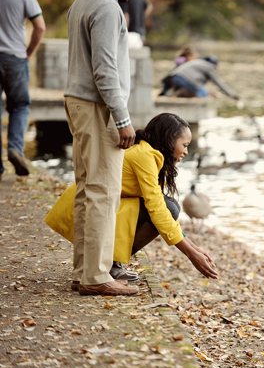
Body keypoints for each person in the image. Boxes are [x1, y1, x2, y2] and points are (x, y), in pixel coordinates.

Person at [45, 113, 219, 285]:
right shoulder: (145, 155)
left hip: (97, 207)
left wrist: (195, 248)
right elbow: (157, 209)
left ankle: (111, 262)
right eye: (185, 145)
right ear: (169, 140)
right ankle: (110, 263)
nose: (186, 151)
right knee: (169, 208)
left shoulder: (148, 153)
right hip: (84, 208)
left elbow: (159, 207)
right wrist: (190, 254)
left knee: (170, 206)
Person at [63, 0, 138, 296]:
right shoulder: (107, 7)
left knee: (87, 189)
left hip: (79, 101)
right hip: (97, 107)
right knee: (103, 191)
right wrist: (122, 118)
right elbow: (104, 68)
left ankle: (84, 271)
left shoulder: (81, 1)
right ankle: (95, 276)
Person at [0, 0, 46, 180]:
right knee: (19, 106)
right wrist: (28, 53)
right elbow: (40, 26)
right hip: (15, 58)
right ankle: (15, 149)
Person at [160, 55, 240, 100]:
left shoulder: (199, 62)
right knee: (204, 91)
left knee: (201, 89)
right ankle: (193, 106)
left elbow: (200, 82)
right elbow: (218, 83)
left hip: (174, 78)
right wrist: (232, 95)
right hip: (182, 79)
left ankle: (169, 94)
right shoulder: (210, 67)